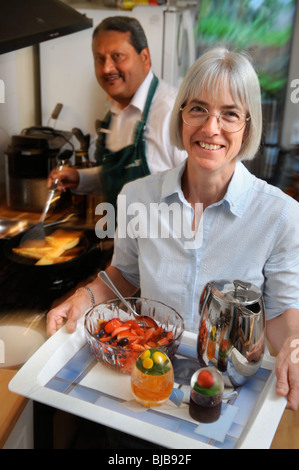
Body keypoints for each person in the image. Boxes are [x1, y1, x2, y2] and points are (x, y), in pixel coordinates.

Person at [47, 47, 299, 411]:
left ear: (248, 127)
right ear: (181, 115)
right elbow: (124, 276)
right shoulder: (137, 196)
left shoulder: (281, 215)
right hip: (144, 379)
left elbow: (281, 313)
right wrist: (84, 298)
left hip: (225, 393)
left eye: (230, 114)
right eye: (198, 108)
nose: (211, 128)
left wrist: (293, 347)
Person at [48, 16, 186, 209]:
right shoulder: (115, 110)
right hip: (119, 236)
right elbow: (117, 177)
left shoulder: (174, 112)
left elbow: (200, 193)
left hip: (162, 237)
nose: (107, 68)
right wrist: (79, 178)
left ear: (145, 58)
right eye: (100, 59)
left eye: (117, 56)